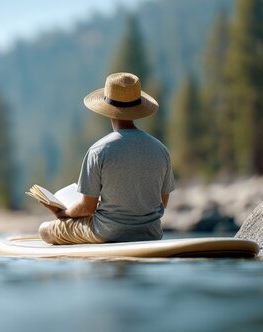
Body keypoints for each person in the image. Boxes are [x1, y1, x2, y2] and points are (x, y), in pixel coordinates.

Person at [39, 72, 175, 245]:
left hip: (106, 233)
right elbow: (162, 202)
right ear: (137, 108)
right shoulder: (161, 149)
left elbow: (87, 208)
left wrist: (61, 213)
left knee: (44, 230)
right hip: (151, 233)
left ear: (107, 109)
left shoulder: (99, 150)